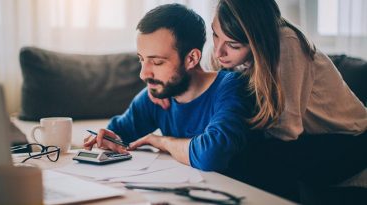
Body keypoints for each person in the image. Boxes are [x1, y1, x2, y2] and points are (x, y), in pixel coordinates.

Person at [150, 0, 367, 203]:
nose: (218, 51)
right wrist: (166, 87)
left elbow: (286, 131)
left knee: (253, 155)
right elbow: (200, 82)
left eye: (233, 45)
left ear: (257, 41)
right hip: (303, 139)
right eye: (215, 35)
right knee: (226, 146)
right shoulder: (222, 48)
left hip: (349, 138)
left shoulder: (286, 44)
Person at [83, 4, 260, 178]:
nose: (143, 74)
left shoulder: (232, 87)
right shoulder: (157, 94)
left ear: (191, 58)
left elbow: (211, 155)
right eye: (142, 59)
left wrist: (162, 141)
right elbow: (118, 133)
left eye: (157, 62)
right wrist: (108, 140)